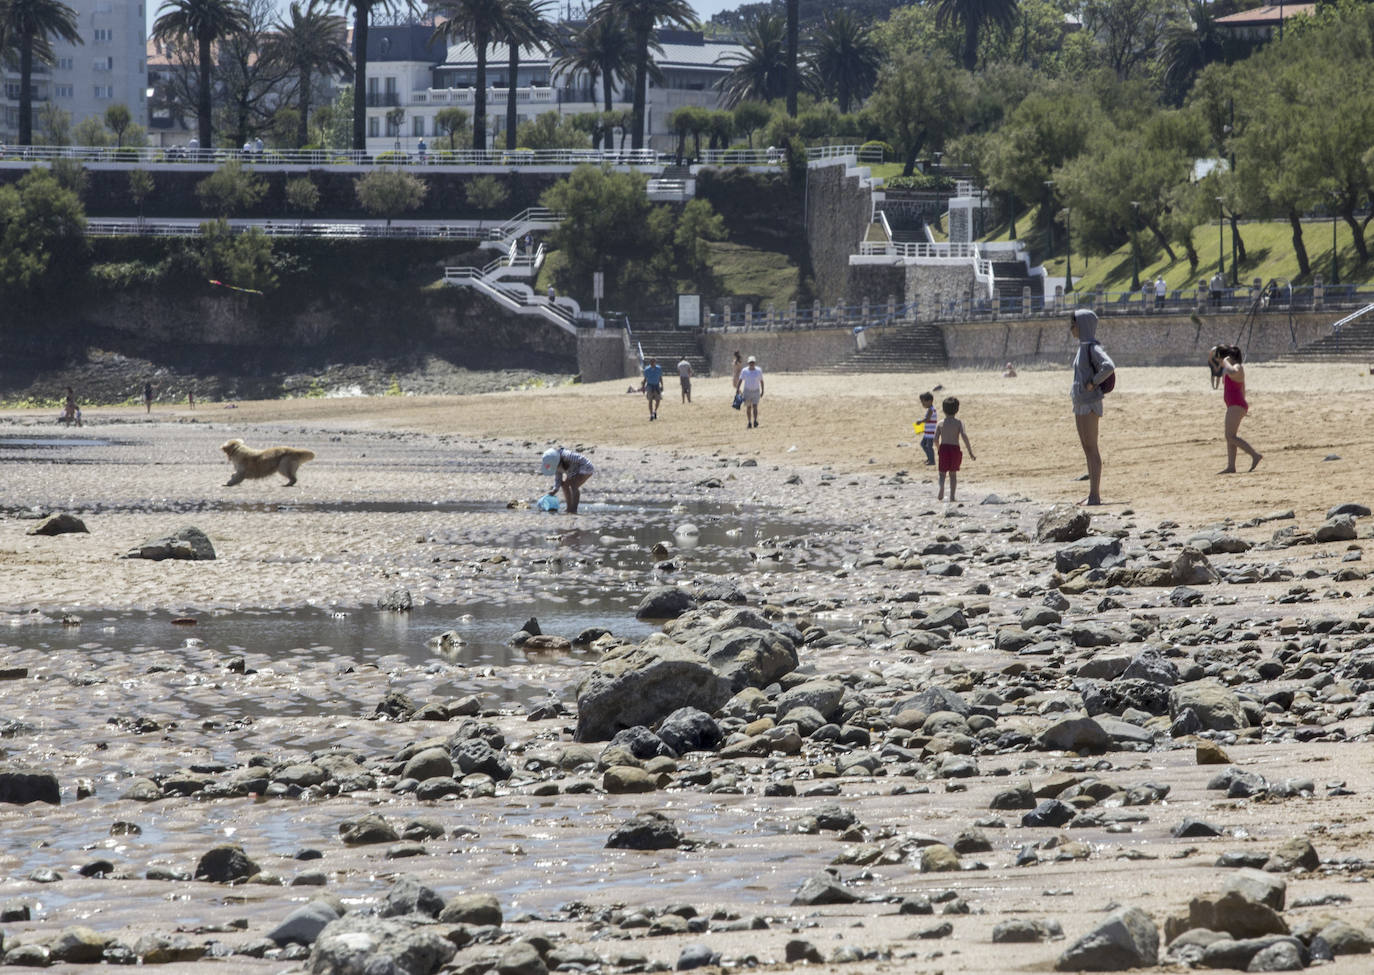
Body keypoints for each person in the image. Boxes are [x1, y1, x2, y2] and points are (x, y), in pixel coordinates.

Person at [1069, 308, 1115, 506]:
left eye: (1074, 324)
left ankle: (1095, 495)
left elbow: (1109, 366)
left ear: (1082, 325)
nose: (1071, 328)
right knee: (1086, 448)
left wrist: (1093, 382)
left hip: (1090, 403)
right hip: (1080, 403)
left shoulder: (1092, 347)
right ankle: (1091, 494)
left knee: (1092, 448)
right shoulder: (1082, 347)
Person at [1210, 345, 1262, 473]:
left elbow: (1233, 371)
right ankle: (1231, 466)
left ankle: (1254, 455)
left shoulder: (1237, 367)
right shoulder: (1228, 369)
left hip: (1236, 405)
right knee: (1230, 436)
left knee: (1230, 436)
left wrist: (1225, 361)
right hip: (1235, 404)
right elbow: (1240, 387)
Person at [935, 396, 975, 502]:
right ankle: (952, 496)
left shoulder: (940, 423)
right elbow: (964, 436)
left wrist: (939, 448)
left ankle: (941, 487)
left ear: (943, 410)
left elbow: (935, 439)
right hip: (955, 449)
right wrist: (970, 451)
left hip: (944, 448)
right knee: (953, 474)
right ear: (957, 409)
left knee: (942, 473)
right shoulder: (959, 423)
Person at [541, 446, 593, 514]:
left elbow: (580, 462)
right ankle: (569, 508)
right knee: (564, 486)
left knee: (574, 486)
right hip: (573, 471)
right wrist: (555, 489)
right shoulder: (555, 465)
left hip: (585, 467)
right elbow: (558, 477)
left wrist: (572, 479)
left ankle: (574, 509)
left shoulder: (567, 456)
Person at [736, 355, 764, 428]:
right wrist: (737, 389)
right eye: (750, 362)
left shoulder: (759, 370)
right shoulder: (744, 371)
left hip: (756, 391)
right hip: (747, 391)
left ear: (754, 363)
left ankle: (755, 421)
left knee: (755, 406)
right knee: (748, 407)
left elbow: (761, 381)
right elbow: (740, 380)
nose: (751, 364)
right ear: (748, 363)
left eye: (753, 362)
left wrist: (762, 391)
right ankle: (749, 422)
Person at [917, 391, 938, 465]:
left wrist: (920, 421)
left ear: (930, 401)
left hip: (930, 433)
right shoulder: (930, 409)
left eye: (924, 403)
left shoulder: (931, 410)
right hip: (927, 433)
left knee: (929, 447)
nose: (923, 404)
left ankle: (932, 461)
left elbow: (927, 419)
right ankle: (929, 458)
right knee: (923, 444)